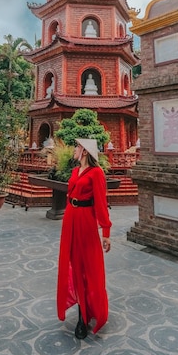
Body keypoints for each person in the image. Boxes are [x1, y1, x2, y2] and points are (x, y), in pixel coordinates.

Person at [57, 138, 111, 339]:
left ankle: (85, 316)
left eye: (77, 147)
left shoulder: (96, 173)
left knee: (87, 266)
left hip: (86, 222)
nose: (74, 149)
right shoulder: (74, 172)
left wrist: (105, 231)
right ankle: (81, 312)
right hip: (70, 219)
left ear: (85, 152)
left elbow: (101, 203)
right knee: (73, 266)